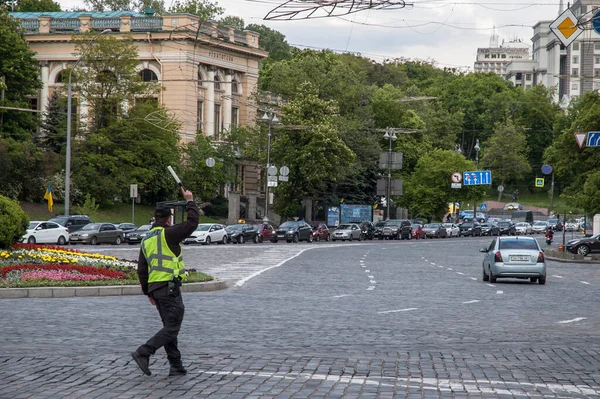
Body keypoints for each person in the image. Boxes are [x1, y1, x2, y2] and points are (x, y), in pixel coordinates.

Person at [131, 187, 198, 377]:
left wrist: (148, 292)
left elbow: (142, 269)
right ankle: (143, 352)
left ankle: (176, 366)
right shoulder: (169, 233)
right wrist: (190, 201)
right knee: (172, 327)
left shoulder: (147, 239)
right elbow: (193, 222)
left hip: (157, 289)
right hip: (169, 288)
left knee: (169, 327)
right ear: (168, 219)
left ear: (154, 218)